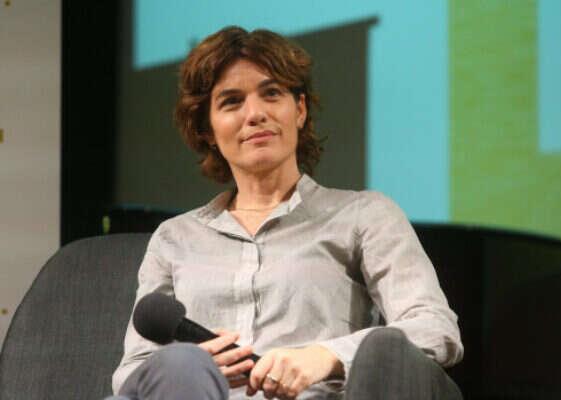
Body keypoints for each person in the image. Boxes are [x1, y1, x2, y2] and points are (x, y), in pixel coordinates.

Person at [108, 26, 464, 400]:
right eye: (231, 102)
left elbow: (433, 326)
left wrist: (326, 355)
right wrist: (192, 369)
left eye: (271, 94)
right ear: (208, 130)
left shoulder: (364, 216)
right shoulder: (174, 238)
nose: (255, 114)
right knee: (182, 364)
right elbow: (131, 374)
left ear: (300, 110)